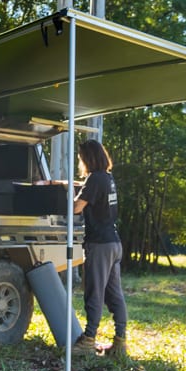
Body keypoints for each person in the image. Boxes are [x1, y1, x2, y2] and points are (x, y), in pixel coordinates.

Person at [71, 139, 128, 357]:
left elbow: (77, 207)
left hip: (100, 245)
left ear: (88, 157)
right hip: (114, 242)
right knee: (114, 294)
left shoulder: (94, 179)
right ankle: (120, 341)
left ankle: (88, 340)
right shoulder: (108, 178)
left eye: (80, 158)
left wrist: (70, 195)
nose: (80, 162)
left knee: (94, 292)